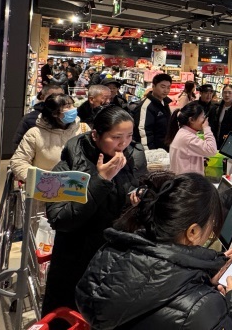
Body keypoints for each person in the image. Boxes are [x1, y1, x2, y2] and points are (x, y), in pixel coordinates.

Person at [76, 172, 232, 330]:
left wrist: (204, 276)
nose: (211, 231)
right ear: (193, 232)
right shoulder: (200, 307)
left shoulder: (113, 252)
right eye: (212, 225)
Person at [41, 106, 145, 316]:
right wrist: (102, 180)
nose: (123, 143)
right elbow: (60, 219)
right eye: (116, 137)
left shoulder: (134, 157)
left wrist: (142, 199)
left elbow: (141, 191)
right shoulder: (69, 164)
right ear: (96, 135)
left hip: (118, 263)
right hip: (77, 262)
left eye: (129, 136)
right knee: (69, 317)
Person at [10, 94, 85, 182]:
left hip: (77, 186)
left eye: (73, 105)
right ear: (54, 113)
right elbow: (19, 161)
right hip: (45, 187)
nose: (74, 109)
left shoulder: (83, 129)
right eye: (68, 107)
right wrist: (37, 180)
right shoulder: (35, 134)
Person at [166, 102, 218, 175]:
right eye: (202, 117)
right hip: (188, 180)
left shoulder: (183, 132)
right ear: (191, 120)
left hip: (184, 178)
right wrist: (206, 128)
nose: (204, 120)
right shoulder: (188, 137)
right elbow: (212, 150)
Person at [133, 73, 172, 151]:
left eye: (168, 87)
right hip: (153, 151)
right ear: (153, 86)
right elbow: (144, 133)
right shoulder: (146, 106)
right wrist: (150, 153)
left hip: (164, 149)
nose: (166, 90)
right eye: (163, 87)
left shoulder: (165, 103)